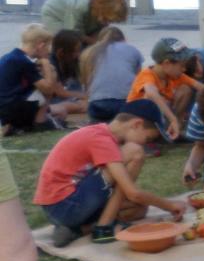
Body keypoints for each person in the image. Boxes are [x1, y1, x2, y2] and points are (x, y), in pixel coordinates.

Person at [34, 99, 184, 247]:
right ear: (136, 124)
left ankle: (78, 230)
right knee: (135, 152)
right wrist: (169, 205)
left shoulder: (103, 135)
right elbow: (133, 192)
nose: (146, 143)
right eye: (148, 138)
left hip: (63, 207)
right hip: (65, 205)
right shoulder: (102, 139)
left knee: (138, 210)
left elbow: (131, 197)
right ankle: (103, 228)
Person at [126, 37, 203, 140]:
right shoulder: (146, 74)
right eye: (182, 65)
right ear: (166, 63)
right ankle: (150, 135)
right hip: (135, 122)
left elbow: (202, 87)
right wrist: (173, 119)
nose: (184, 69)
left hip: (163, 117)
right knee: (151, 97)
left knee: (186, 89)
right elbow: (151, 93)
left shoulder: (177, 75)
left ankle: (174, 130)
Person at [0, 24, 66, 135]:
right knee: (49, 77)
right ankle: (40, 122)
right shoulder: (24, 61)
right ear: (41, 45)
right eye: (48, 47)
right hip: (14, 109)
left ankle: (17, 124)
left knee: (61, 110)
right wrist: (46, 63)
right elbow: (48, 89)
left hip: (4, 109)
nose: (49, 52)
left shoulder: (9, 57)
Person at [82, 27, 143, 122]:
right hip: (125, 102)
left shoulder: (90, 52)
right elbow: (140, 80)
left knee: (99, 127)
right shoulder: (132, 50)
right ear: (123, 39)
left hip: (97, 103)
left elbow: (86, 83)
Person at [40, 0, 128, 43]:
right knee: (65, 42)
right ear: (102, 11)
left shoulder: (104, 5)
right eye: (107, 19)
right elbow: (73, 33)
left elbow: (98, 31)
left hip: (86, 11)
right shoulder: (80, 7)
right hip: (55, 14)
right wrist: (95, 42)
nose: (108, 23)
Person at [48, 29, 87, 115]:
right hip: (53, 99)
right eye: (76, 51)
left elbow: (77, 85)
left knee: (86, 104)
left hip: (65, 98)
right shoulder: (50, 64)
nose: (78, 54)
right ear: (61, 52)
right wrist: (88, 97)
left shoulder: (70, 62)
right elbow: (61, 93)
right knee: (85, 104)